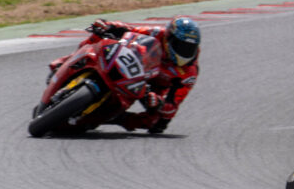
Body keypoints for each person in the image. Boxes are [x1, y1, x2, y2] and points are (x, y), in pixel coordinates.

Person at [48, 17, 201, 134]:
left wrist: (160, 103)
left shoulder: (189, 73)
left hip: (152, 87)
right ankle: (67, 60)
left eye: (190, 48)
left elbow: (173, 106)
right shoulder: (157, 33)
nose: (185, 52)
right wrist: (108, 25)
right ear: (169, 38)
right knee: (100, 35)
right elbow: (129, 29)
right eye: (181, 46)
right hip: (135, 65)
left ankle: (118, 118)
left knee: (156, 123)